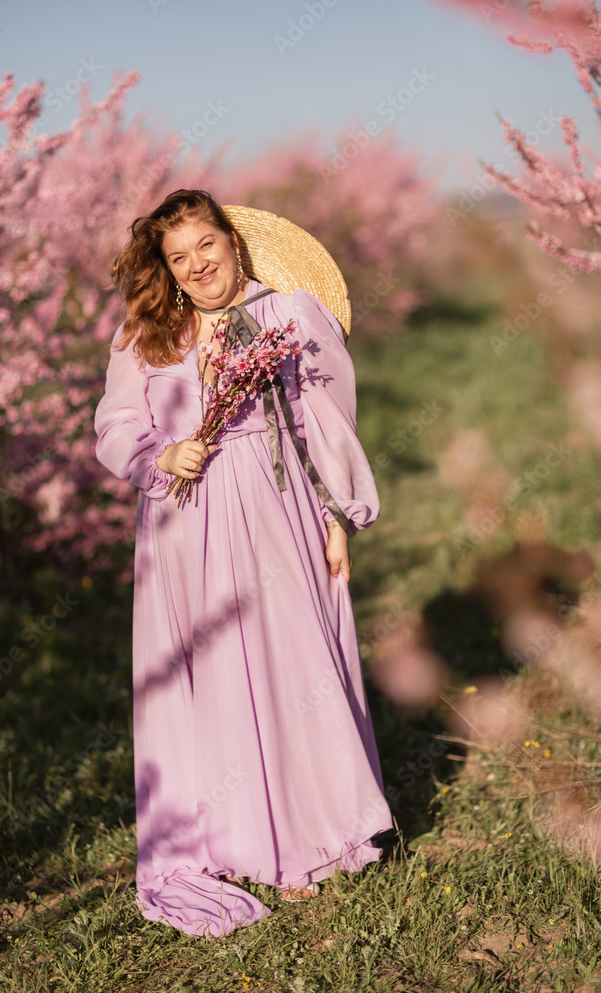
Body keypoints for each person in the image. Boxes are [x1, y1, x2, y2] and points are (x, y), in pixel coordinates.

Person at [93, 188, 392, 939]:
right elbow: (114, 424)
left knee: (288, 666)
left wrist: (337, 519)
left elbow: (323, 427)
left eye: (207, 247)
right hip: (179, 521)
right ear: (165, 267)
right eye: (178, 257)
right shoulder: (149, 333)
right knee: (212, 671)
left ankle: (307, 837)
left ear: (234, 242)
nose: (197, 267)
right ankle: (228, 835)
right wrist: (162, 453)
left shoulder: (288, 317)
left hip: (271, 509)